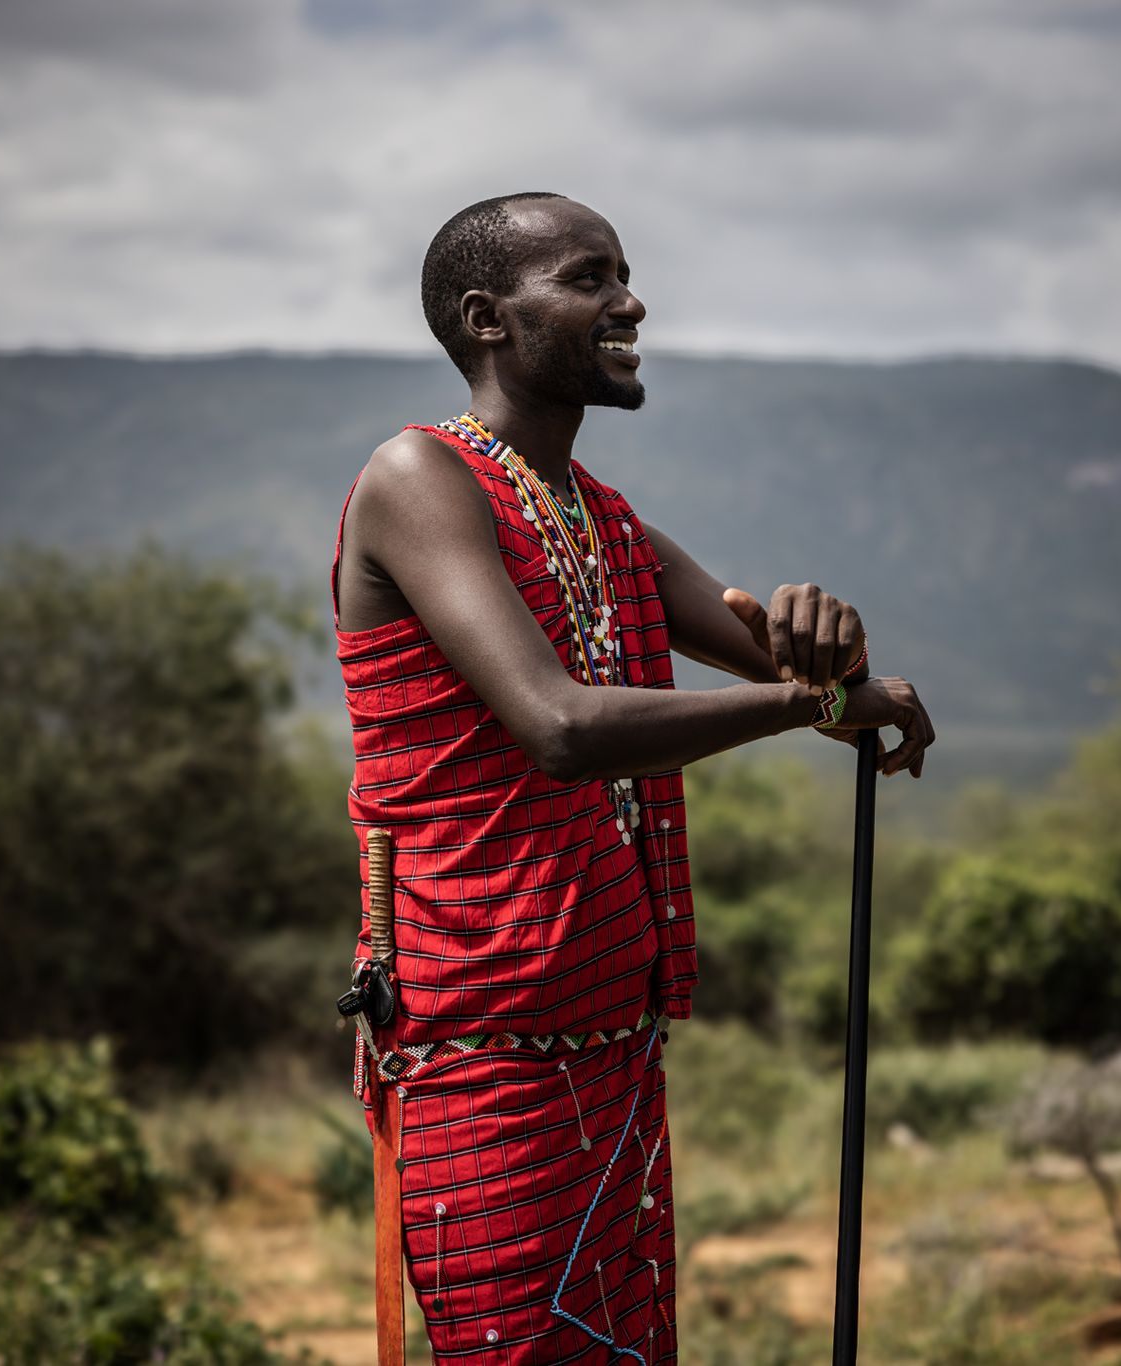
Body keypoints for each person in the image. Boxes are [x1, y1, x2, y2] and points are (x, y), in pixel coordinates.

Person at [330, 192, 933, 1364]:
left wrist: (831, 646)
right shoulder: (418, 480)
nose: (629, 301)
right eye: (588, 277)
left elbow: (783, 657)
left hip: (611, 1042)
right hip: (483, 1051)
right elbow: (558, 726)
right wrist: (806, 701)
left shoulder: (603, 520)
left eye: (624, 273)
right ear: (487, 317)